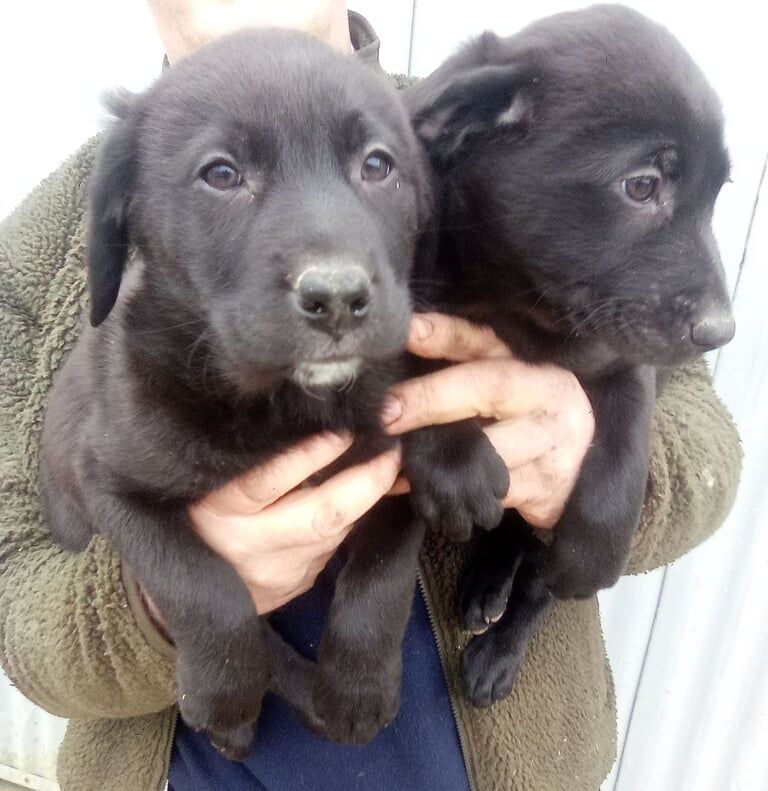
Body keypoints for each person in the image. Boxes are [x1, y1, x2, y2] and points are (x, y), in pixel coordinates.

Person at [0, 2, 742, 790]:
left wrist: (591, 469)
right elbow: (14, 586)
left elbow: (701, 431)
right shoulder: (37, 250)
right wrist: (160, 608)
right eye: (221, 173)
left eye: (377, 169)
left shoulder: (474, 128)